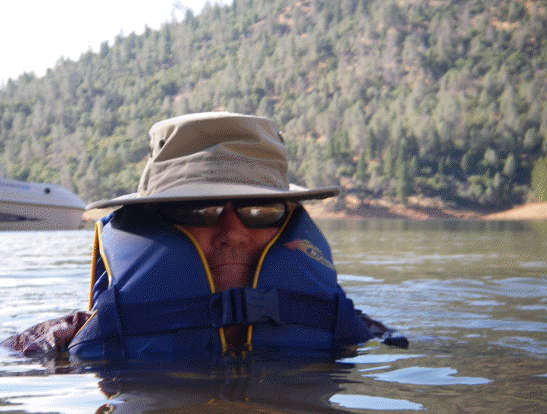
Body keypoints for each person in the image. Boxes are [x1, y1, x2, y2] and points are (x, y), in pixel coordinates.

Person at [1, 112, 407, 360]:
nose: (233, 234)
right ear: (156, 220)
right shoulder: (63, 343)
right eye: (199, 209)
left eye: (259, 211)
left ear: (287, 221)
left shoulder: (348, 328)